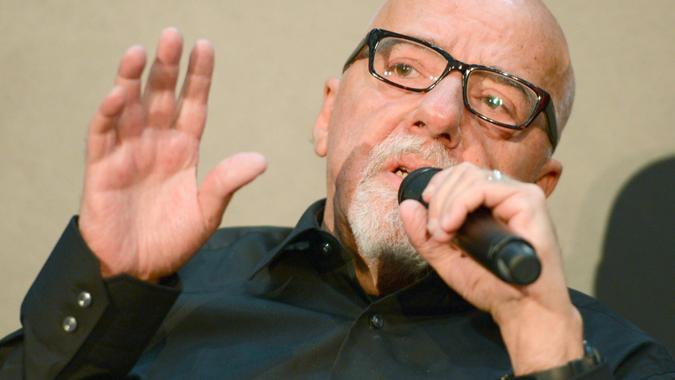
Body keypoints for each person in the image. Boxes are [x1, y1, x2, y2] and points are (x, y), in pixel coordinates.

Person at [0, 0, 673, 378]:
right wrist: (112, 283)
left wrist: (540, 339)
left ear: (539, 184)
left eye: (496, 102)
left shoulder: (613, 360)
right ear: (328, 114)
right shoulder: (164, 289)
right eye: (404, 66)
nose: (437, 115)